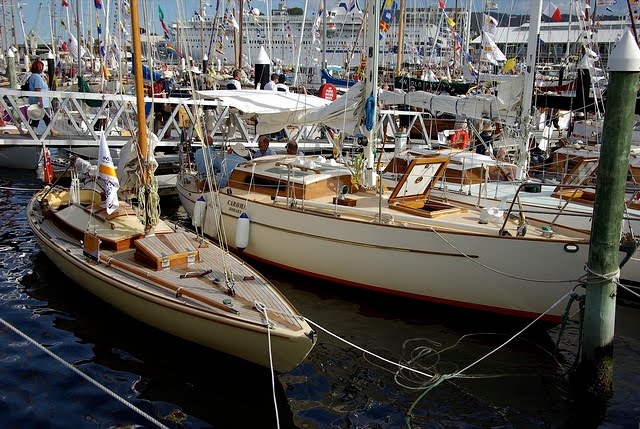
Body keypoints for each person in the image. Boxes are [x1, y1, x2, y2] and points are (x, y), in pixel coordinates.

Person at [26, 60, 59, 136]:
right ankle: (52, 131)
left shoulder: (32, 76)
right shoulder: (37, 77)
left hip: (35, 100)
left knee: (36, 116)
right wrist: (40, 102)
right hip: (41, 101)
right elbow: (38, 90)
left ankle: (30, 131)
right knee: (46, 116)